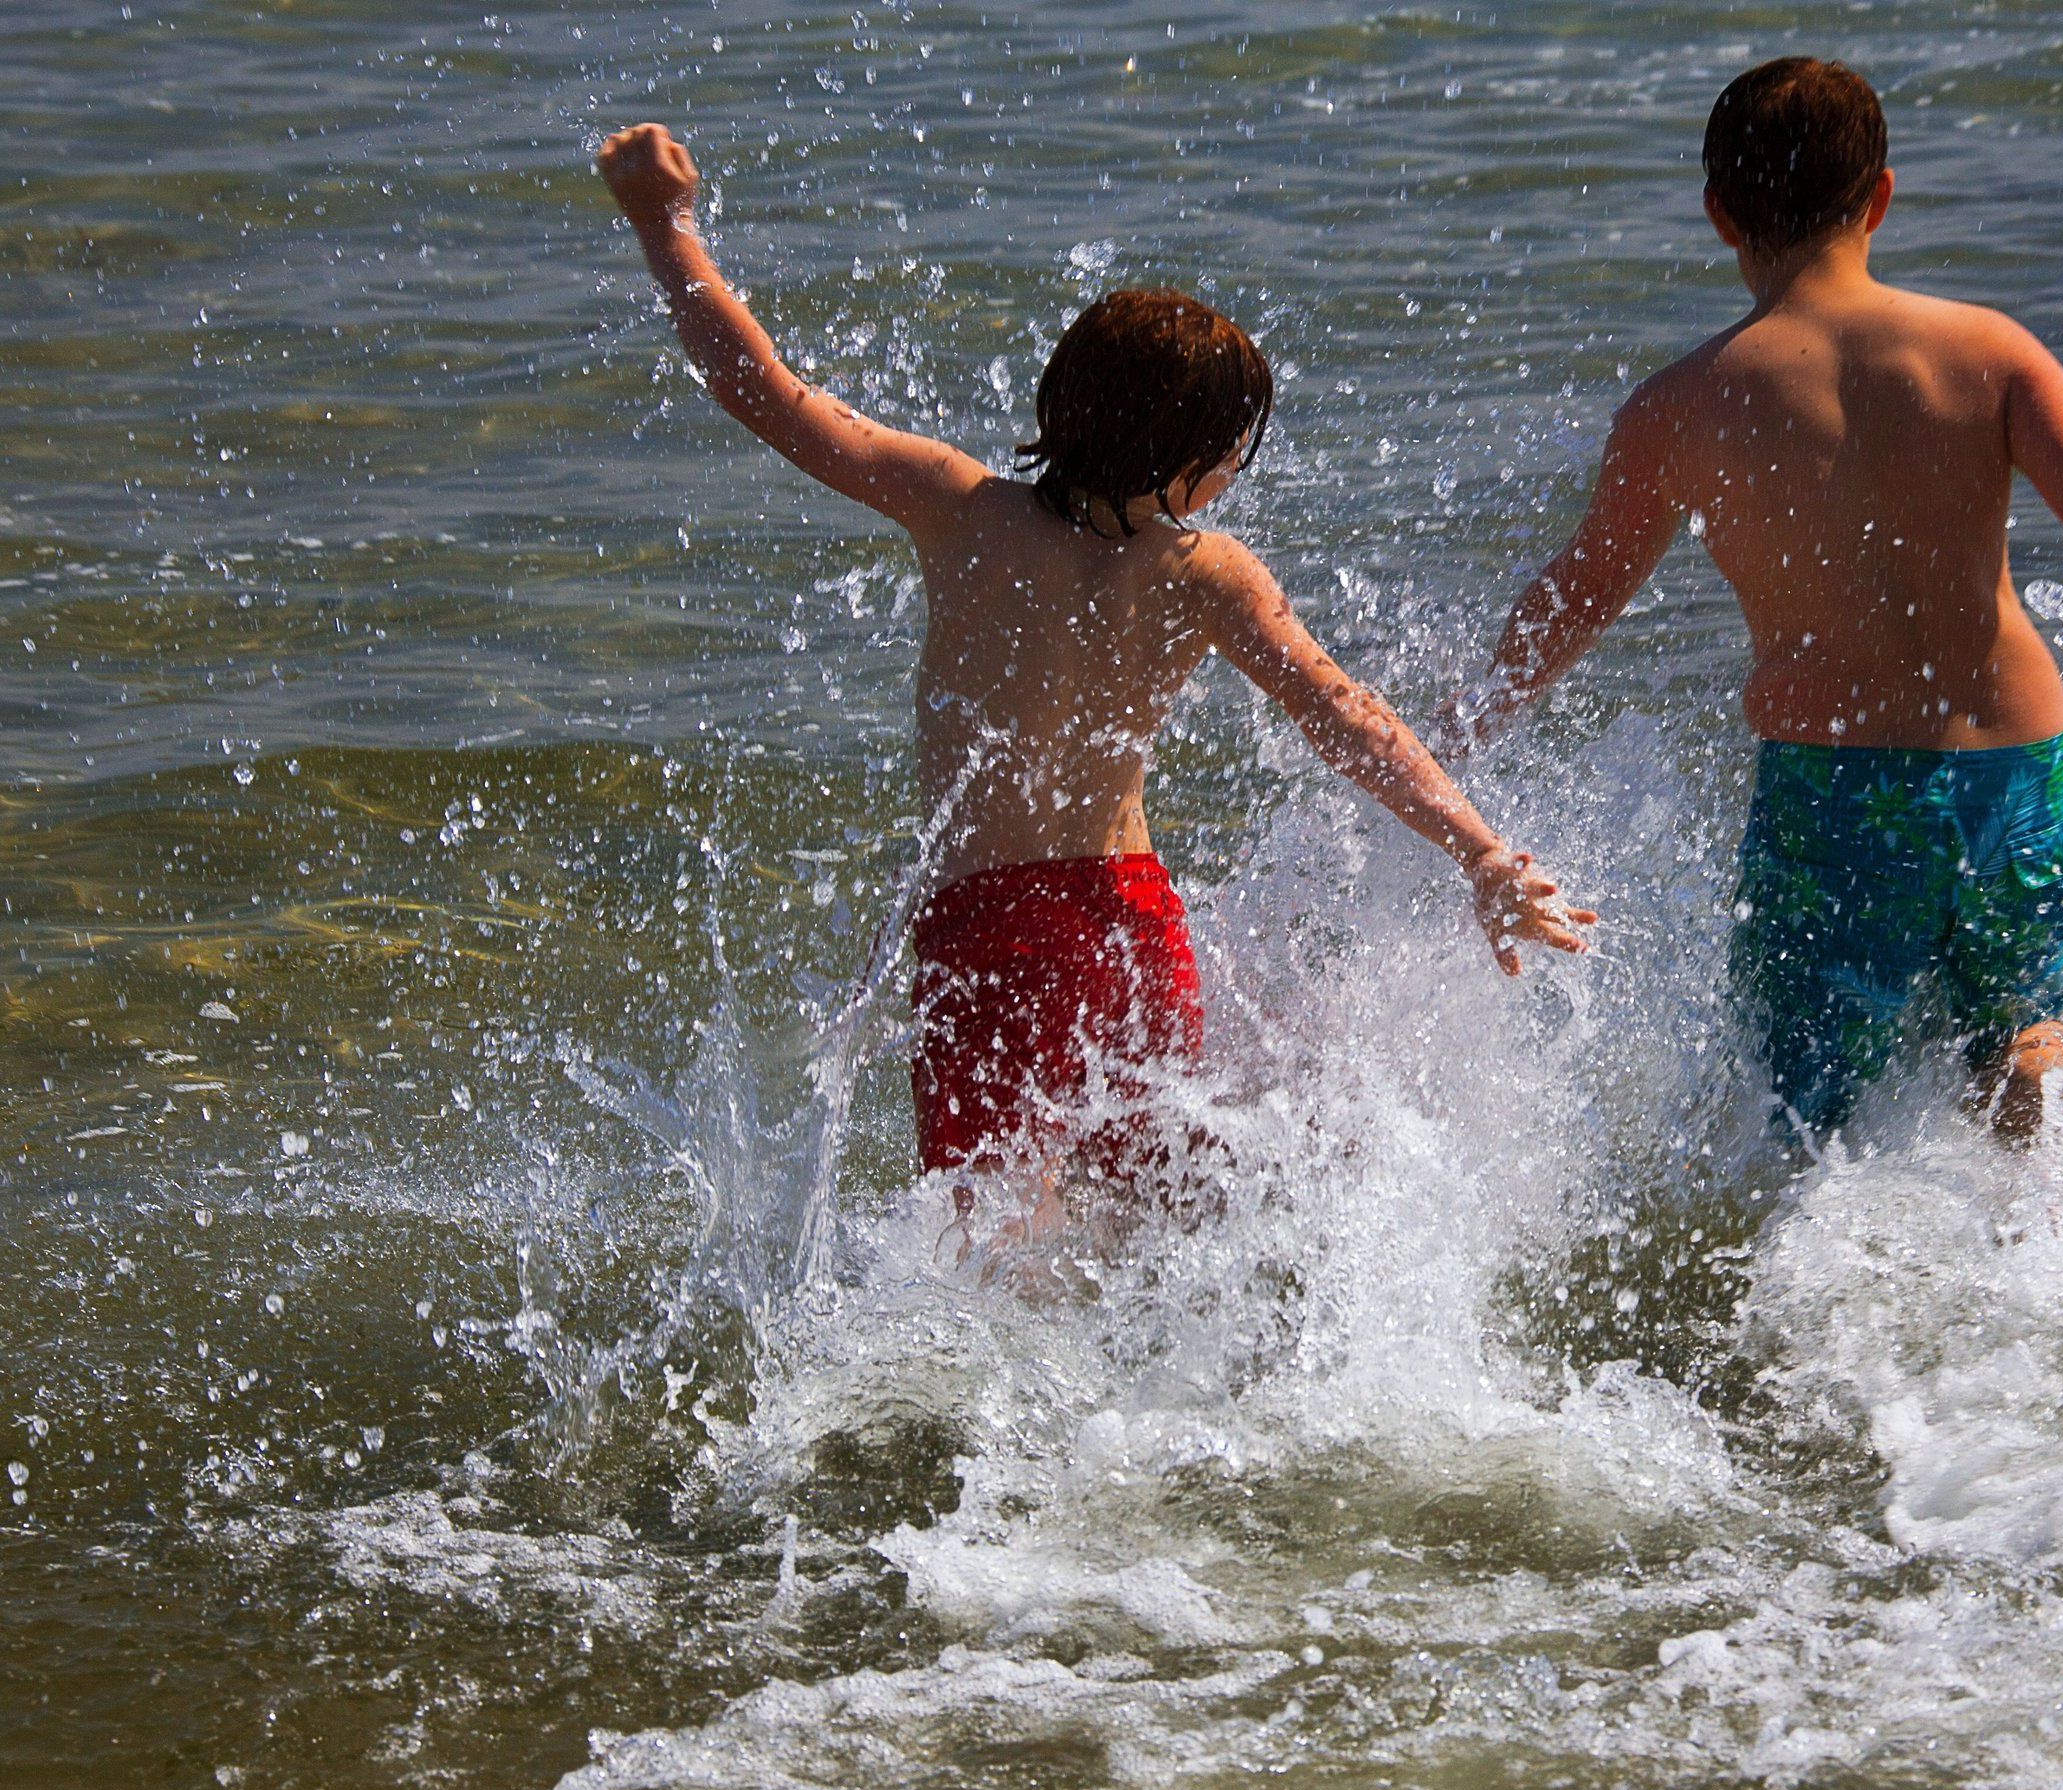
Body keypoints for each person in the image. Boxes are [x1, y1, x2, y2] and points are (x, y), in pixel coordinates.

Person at [595, 123, 1591, 1217]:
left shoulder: (961, 510)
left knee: (987, 1246)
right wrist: (1482, 853)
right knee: (1144, 1225)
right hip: (1133, 924)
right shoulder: (1209, 571)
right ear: (1200, 462)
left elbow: (768, 395)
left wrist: (665, 224)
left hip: (988, 930)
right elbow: (1349, 718)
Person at [1446, 58, 2063, 1144]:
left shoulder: (1680, 406)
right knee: (2021, 1023)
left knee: (1800, 1100)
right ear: (1880, 198)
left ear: (1720, 215)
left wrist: (1471, 724)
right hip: (2017, 769)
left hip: (1836, 794)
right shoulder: (1991, 352)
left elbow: (1575, 599)